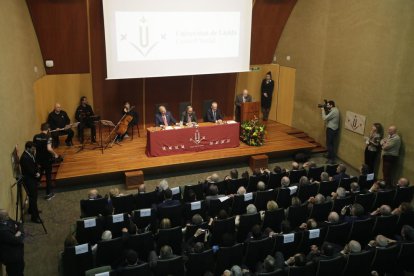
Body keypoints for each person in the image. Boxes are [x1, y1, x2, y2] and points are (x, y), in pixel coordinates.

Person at [33, 123, 59, 200]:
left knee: (38, 175)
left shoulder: (36, 136)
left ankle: (33, 192)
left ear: (41, 129)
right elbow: (49, 148)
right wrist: (55, 154)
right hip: (47, 160)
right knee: (48, 177)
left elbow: (34, 148)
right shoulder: (49, 137)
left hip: (38, 159)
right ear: (48, 129)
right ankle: (48, 194)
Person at [19, 141, 42, 223]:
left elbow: (34, 164)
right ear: (27, 148)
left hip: (32, 179)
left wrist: (37, 170)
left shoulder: (30, 154)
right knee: (33, 197)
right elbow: (29, 170)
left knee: (34, 196)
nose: (34, 150)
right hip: (29, 180)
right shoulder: (24, 158)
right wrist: (36, 174)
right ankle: (35, 217)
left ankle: (31, 210)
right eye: (32, 149)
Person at [0, 209, 25, 276]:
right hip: (12, 258)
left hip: (16, 254)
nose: (8, 216)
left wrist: (18, 232)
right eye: (6, 215)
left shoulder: (6, 219)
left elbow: (19, 224)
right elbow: (20, 239)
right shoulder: (2, 231)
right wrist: (20, 232)